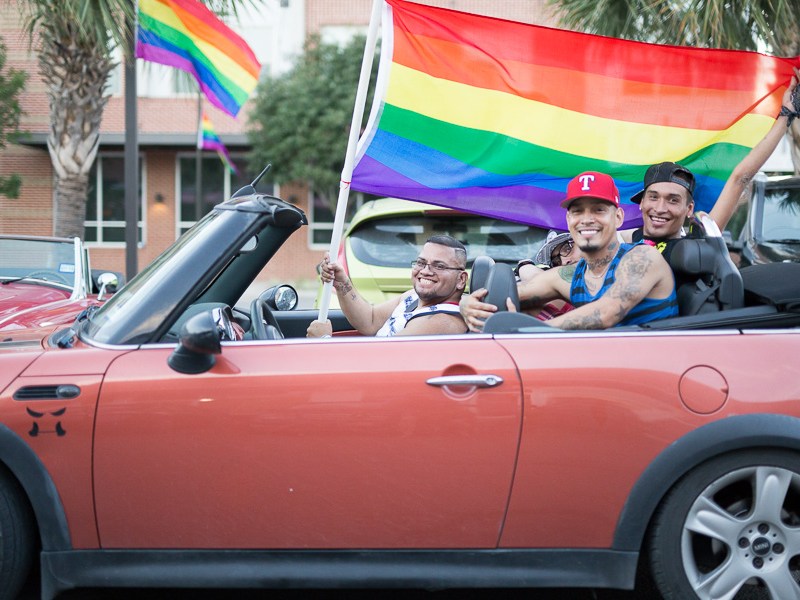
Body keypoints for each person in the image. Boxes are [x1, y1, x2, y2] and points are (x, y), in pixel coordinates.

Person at [461, 172, 678, 331]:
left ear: (618, 217)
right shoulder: (570, 275)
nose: (586, 219)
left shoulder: (641, 258)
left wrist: (527, 331)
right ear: (568, 220)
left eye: (599, 210)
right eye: (577, 211)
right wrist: (467, 304)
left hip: (660, 379)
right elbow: (503, 294)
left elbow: (606, 313)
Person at [622, 68, 800, 261]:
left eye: (673, 200)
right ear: (642, 203)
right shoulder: (623, 242)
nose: (660, 207)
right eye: (653, 197)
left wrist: (786, 114)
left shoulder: (699, 242)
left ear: (689, 209)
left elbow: (740, 178)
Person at [307, 235, 469, 337]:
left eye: (439, 266)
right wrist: (342, 282)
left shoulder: (442, 321)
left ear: (461, 279)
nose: (426, 271)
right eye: (421, 262)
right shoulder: (412, 297)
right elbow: (369, 320)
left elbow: (380, 359)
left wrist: (324, 341)